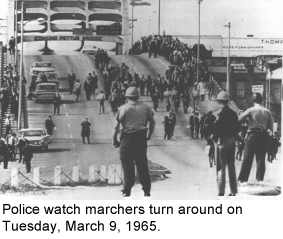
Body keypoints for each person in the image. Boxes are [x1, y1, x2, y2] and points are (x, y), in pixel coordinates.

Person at [112, 87, 155, 197]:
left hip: (127, 139)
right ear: (138, 96)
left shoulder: (124, 108)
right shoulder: (145, 107)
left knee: (127, 164)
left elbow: (116, 126)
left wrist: (114, 140)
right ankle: (146, 190)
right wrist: (148, 135)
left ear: (127, 97)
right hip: (140, 139)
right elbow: (152, 123)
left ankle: (127, 189)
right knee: (142, 164)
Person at [238, 92, 273, 183]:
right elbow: (270, 127)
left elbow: (239, 119)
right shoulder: (267, 111)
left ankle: (243, 180)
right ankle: (259, 180)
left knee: (247, 159)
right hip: (263, 136)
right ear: (261, 100)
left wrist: (248, 121)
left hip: (252, 135)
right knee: (261, 159)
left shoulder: (251, 110)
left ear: (253, 100)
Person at [212, 91, 240, 196]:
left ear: (219, 101)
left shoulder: (219, 114)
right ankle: (233, 191)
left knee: (221, 167)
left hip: (222, 141)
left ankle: (221, 190)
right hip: (232, 140)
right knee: (231, 165)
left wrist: (214, 139)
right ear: (227, 101)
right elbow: (237, 128)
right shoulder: (233, 114)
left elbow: (217, 129)